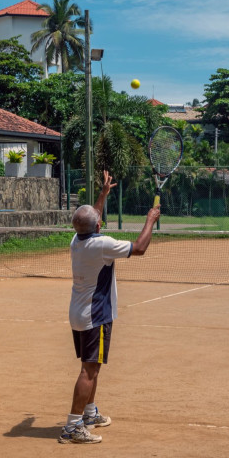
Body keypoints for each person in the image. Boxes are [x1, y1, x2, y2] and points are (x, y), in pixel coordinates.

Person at [59, 170, 161, 444]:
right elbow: (139, 248)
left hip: (78, 314)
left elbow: (91, 218)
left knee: (92, 367)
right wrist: (150, 220)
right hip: (96, 315)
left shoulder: (76, 241)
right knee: (88, 370)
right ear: (99, 227)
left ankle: (89, 414)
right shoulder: (101, 245)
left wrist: (103, 194)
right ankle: (72, 427)